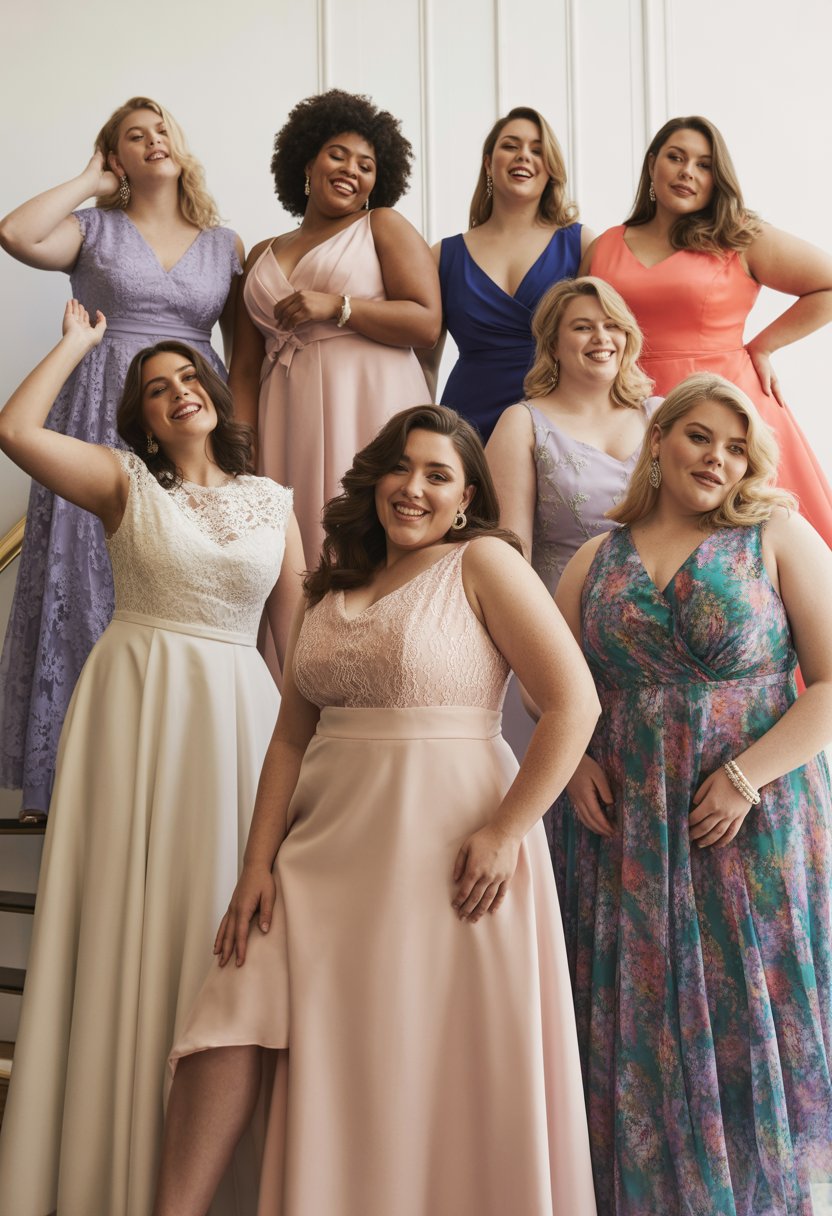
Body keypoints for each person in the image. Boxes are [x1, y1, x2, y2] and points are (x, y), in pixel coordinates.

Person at [153, 404, 600, 1216]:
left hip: (445, 854)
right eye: (402, 467)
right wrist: (256, 866)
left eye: (439, 475)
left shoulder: (484, 564)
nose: (414, 488)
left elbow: (574, 705)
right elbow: (289, 740)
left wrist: (506, 831)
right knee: (229, 1013)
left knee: (408, 1058)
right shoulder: (334, 583)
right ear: (375, 478)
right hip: (321, 852)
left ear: (465, 499)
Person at [0, 301, 304, 1216]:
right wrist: (80, 345)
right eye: (156, 390)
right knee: (133, 922)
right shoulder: (124, 481)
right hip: (136, 713)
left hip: (244, 718)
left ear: (215, 394)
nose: (177, 394)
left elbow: (299, 647)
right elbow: (14, 429)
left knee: (224, 924)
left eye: (188, 380)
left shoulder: (276, 501)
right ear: (142, 418)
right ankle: (110, 1168)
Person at [555, 373, 832, 1214]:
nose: (719, 457)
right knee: (639, 1024)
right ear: (660, 439)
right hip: (626, 831)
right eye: (701, 436)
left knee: (746, 1013)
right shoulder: (594, 556)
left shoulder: (774, 535)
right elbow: (550, 681)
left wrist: (747, 778)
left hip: (747, 821)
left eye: (737, 445)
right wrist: (570, 765)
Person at [0, 95, 243, 819]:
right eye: (134, 136)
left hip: (194, 416)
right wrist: (86, 182)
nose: (153, 139)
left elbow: (244, 358)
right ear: (117, 158)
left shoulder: (224, 244)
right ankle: (81, 773)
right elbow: (13, 232)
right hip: (99, 414)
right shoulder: (94, 231)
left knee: (183, 574)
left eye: (162, 127)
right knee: (91, 576)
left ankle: (175, 765)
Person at [581, 114, 832, 544]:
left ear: (718, 178)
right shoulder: (605, 244)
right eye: (676, 158)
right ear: (652, 164)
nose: (687, 172)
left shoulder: (738, 237)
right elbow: (580, 326)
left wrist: (763, 347)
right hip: (631, 409)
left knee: (753, 551)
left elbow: (826, 283)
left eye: (703, 164)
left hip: (728, 409)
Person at [486, 275, 658, 892]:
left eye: (613, 324)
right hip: (560, 644)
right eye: (583, 326)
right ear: (552, 344)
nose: (601, 337)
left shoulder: (664, 418)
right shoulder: (522, 423)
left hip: (656, 653)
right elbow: (509, 559)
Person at [228, 88, 439, 580]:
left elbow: (426, 323)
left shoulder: (382, 226)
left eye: (366, 164)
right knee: (293, 549)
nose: (351, 169)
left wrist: (339, 307)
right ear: (307, 162)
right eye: (337, 154)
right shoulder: (261, 252)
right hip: (284, 408)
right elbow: (242, 364)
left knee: (368, 534)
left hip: (368, 398)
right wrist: (240, 447)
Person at [421, 106, 593, 444]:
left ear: (551, 167)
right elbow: (424, 365)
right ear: (488, 162)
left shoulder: (581, 244)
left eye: (537, 149)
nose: (523, 157)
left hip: (555, 417)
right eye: (511, 146)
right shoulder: (443, 254)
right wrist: (426, 433)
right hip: (466, 419)